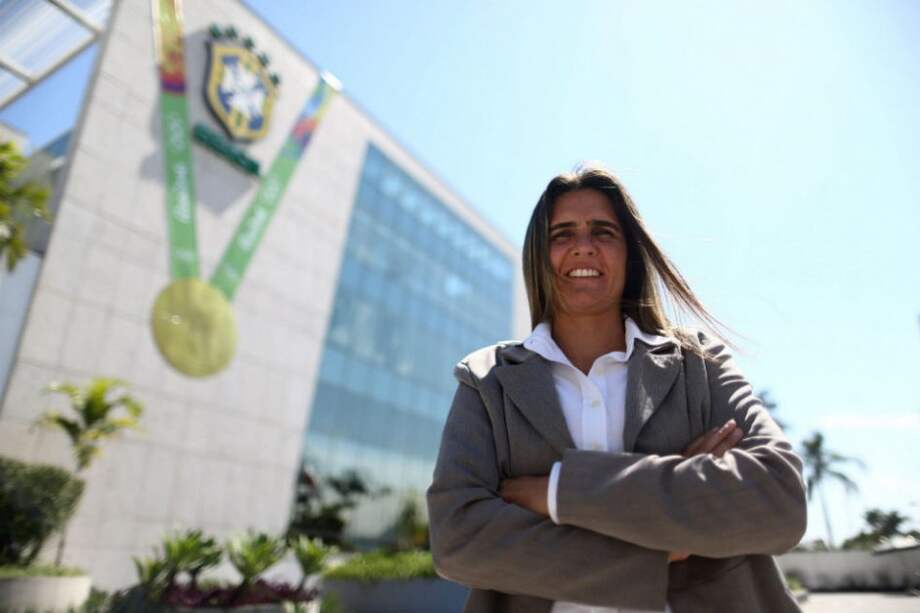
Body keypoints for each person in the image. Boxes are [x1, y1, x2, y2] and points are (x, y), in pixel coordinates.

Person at [426, 165, 807, 613]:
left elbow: (778, 500)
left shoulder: (698, 363)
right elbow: (458, 539)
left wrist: (556, 491)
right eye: (562, 234)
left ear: (629, 255)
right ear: (539, 255)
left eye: (603, 232)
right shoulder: (486, 378)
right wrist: (664, 534)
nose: (583, 246)